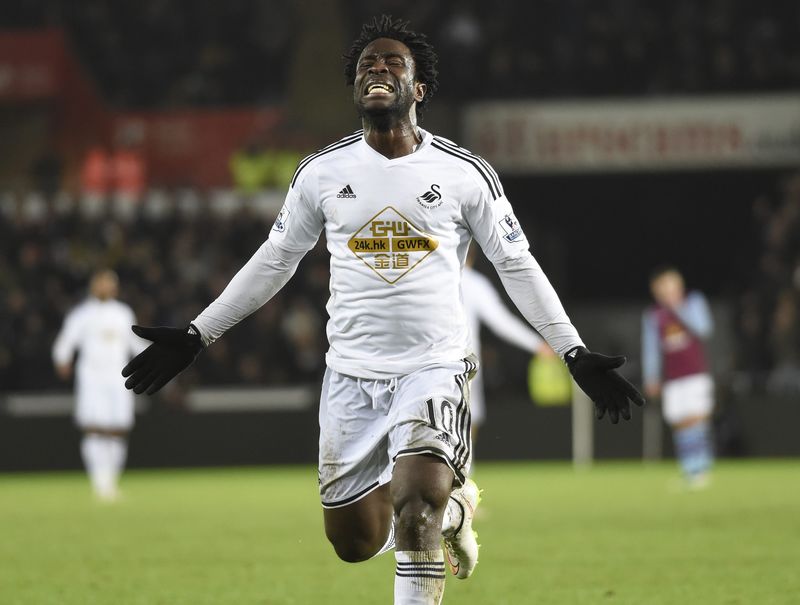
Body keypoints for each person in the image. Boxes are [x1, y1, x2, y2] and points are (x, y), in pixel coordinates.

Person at [122, 16, 643, 605]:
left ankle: (437, 508)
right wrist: (196, 334)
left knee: (415, 509)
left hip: (434, 367)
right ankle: (457, 511)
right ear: (355, 89)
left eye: (394, 63)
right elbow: (275, 260)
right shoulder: (321, 174)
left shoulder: (464, 174)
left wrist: (572, 351)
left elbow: (516, 265)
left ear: (418, 89)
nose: (378, 68)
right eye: (368, 64)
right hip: (350, 375)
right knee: (354, 541)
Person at [53, 269, 146, 501]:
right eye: (101, 283)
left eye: (109, 284)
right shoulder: (82, 314)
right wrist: (62, 359)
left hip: (118, 379)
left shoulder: (123, 313)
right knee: (94, 428)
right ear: (94, 287)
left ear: (114, 288)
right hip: (92, 379)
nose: (105, 287)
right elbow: (66, 340)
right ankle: (99, 481)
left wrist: (150, 360)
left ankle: (111, 481)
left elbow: (134, 342)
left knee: (117, 429)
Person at [462, 245, 555, 442]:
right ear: (473, 255)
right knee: (467, 422)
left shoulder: (430, 281)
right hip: (464, 364)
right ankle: (461, 469)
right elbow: (501, 322)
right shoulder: (473, 283)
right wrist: (536, 344)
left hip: (426, 362)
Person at [642, 266, 714, 488]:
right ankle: (690, 469)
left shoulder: (693, 303)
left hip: (695, 373)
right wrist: (651, 376)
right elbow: (651, 349)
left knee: (697, 418)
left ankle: (702, 469)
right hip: (673, 378)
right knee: (680, 422)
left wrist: (679, 309)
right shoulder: (654, 315)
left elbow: (704, 329)